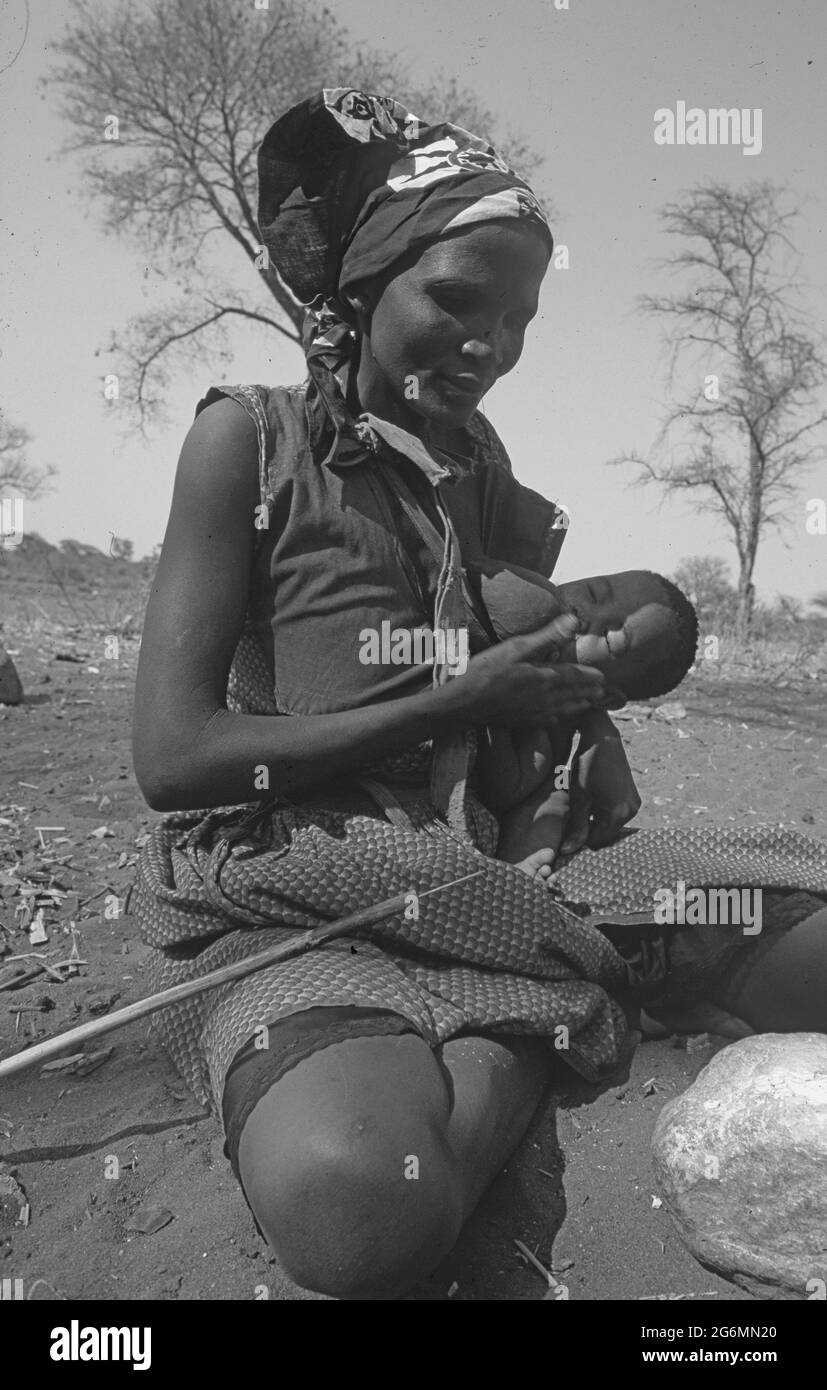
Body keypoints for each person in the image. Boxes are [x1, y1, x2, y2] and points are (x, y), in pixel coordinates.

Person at [132, 88, 827, 1301]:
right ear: (360, 286)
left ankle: (546, 980)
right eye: (458, 300)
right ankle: (540, 1019)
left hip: (513, 870)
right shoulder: (248, 443)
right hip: (304, 887)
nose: (489, 347)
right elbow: (176, 755)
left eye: (517, 320)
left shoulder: (481, 480)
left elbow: (526, 726)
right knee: (360, 1205)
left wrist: (549, 734)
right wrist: (443, 704)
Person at [468, 564, 699, 874]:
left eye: (608, 638)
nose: (582, 617)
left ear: (603, 696)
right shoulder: (517, 583)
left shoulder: (541, 740)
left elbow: (506, 787)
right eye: (592, 593)